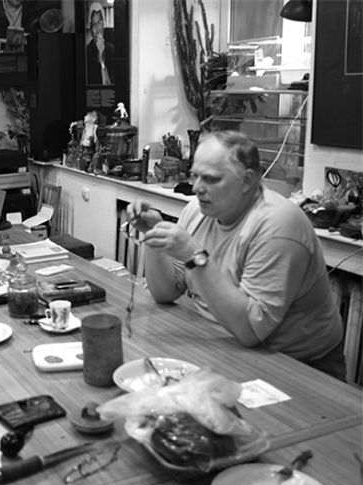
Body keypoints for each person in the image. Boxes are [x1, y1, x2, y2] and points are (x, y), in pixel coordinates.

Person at [127, 131, 345, 380]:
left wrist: (195, 255)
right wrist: (154, 235)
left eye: (211, 179)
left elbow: (251, 330)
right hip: (222, 341)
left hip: (298, 365)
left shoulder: (278, 225)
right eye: (195, 176)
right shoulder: (198, 210)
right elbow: (164, 293)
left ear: (247, 180)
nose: (197, 188)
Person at [85, 3, 114, 86]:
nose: (97, 28)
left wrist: (103, 62)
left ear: (104, 25)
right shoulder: (86, 52)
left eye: (100, 23)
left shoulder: (111, 49)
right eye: (94, 24)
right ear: (91, 29)